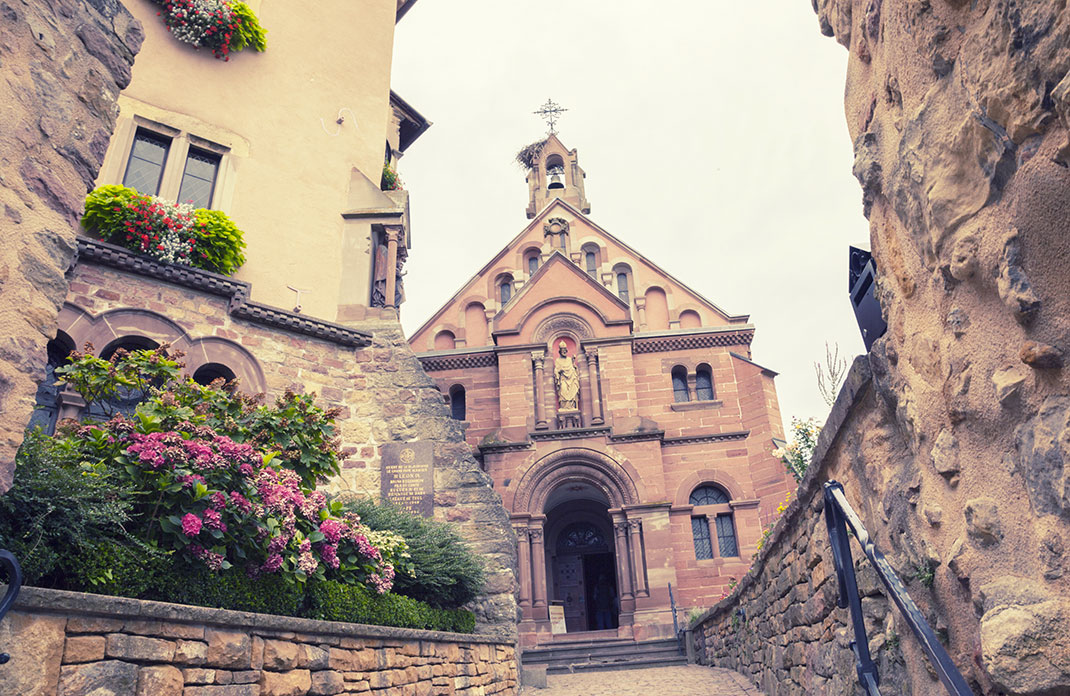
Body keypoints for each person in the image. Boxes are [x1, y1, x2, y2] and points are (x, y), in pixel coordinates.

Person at [553, 341, 580, 410]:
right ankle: (564, 406)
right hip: (563, 379)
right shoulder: (558, 360)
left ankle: (572, 406)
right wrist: (559, 371)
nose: (564, 352)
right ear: (560, 351)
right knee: (563, 391)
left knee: (573, 392)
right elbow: (556, 370)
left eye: (565, 350)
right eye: (563, 350)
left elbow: (573, 368)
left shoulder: (569, 360)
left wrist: (573, 362)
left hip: (571, 379)